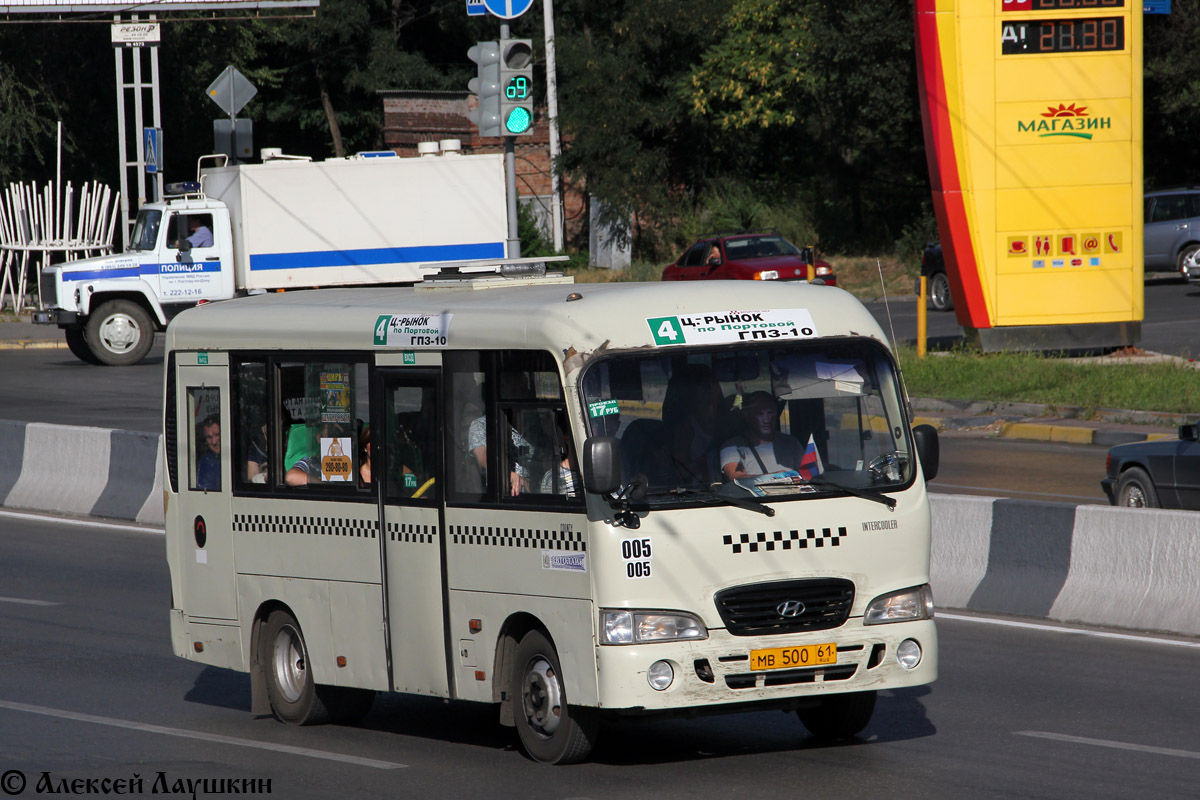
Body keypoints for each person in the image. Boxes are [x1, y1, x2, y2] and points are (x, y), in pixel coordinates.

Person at [720, 391, 803, 480]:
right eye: (760, 414)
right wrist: (775, 477)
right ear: (748, 417)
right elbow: (736, 477)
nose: (766, 420)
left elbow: (808, 474)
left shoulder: (791, 443)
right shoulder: (732, 447)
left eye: (770, 413)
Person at [196, 416, 221, 490]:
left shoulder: (238, 458)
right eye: (209, 437)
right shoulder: (204, 463)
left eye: (217, 435)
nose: (214, 442)